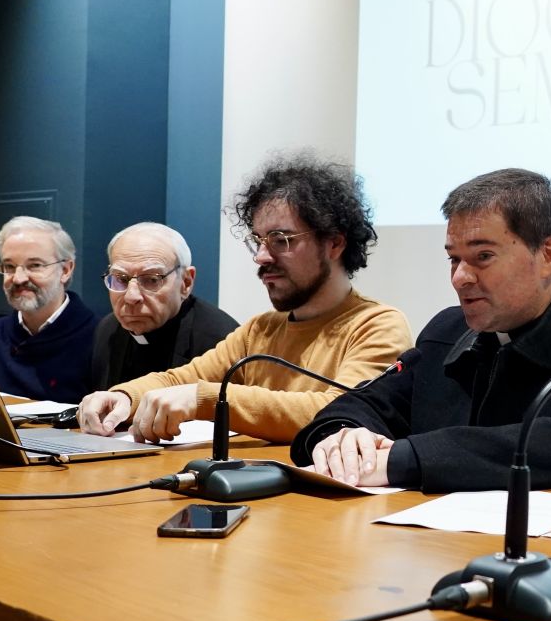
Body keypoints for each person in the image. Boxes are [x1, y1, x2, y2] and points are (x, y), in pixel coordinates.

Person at [291, 168, 551, 492]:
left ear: (549, 255)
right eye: (454, 258)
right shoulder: (447, 330)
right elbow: (370, 402)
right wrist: (343, 437)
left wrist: (407, 458)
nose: (460, 278)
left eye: (483, 257)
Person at [77, 157, 410, 444]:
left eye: (281, 240)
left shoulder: (377, 325)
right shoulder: (261, 330)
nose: (261, 256)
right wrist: (122, 396)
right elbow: (182, 378)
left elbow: (337, 411)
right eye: (259, 241)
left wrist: (206, 399)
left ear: (334, 244)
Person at [89, 222, 238, 390]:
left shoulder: (222, 342)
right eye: (121, 279)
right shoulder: (108, 329)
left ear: (186, 282)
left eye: (152, 280)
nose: (131, 296)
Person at [0, 216, 98, 401]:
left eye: (34, 266)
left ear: (65, 270)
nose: (18, 278)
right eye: (9, 267)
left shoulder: (99, 338)